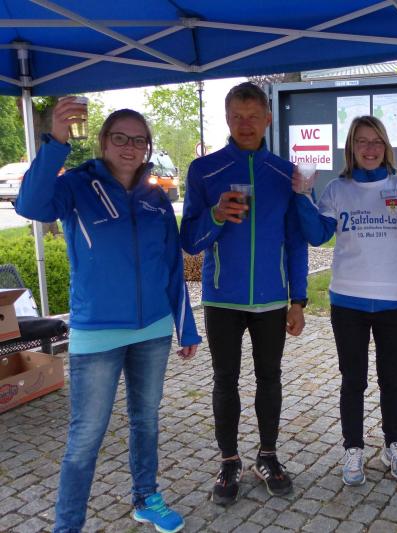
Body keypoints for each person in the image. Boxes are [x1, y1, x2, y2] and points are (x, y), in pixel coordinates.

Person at [16, 100, 200, 533]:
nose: (129, 147)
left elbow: (171, 266)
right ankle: (68, 525)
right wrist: (56, 142)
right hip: (96, 332)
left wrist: (185, 326)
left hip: (153, 329)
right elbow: (31, 204)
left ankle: (146, 497)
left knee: (145, 420)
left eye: (139, 140)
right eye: (120, 138)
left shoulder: (156, 197)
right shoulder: (77, 186)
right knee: (86, 437)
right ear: (103, 141)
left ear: (147, 147)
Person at [180, 82, 308, 505]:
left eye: (254, 117)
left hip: (271, 299)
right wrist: (216, 214)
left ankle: (267, 456)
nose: (246, 125)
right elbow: (190, 240)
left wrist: (298, 300)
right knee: (225, 380)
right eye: (238, 117)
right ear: (227, 118)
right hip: (222, 298)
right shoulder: (204, 170)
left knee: (270, 378)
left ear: (268, 118)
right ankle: (229, 460)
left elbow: (296, 242)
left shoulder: (284, 173)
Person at [293, 115, 397, 486]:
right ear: (351, 148)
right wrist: (302, 196)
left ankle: (394, 444)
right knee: (353, 380)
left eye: (377, 141)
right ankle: (353, 448)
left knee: (392, 380)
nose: (370, 149)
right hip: (348, 300)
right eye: (362, 142)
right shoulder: (337, 189)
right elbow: (317, 236)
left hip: (393, 300)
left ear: (386, 147)